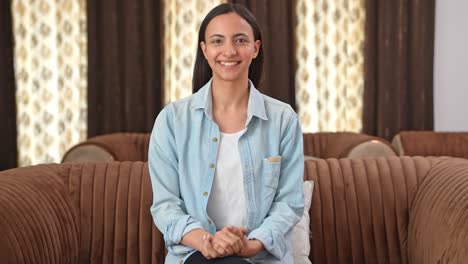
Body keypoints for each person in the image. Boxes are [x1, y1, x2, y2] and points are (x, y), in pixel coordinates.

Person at [148, 3, 304, 263]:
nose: (229, 51)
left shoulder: (283, 119)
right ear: (205, 50)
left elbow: (289, 203)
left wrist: (250, 245)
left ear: (255, 48)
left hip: (260, 257)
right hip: (194, 254)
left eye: (240, 40)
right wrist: (207, 242)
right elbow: (166, 206)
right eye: (217, 41)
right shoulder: (172, 120)